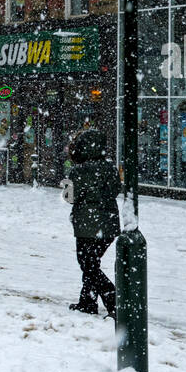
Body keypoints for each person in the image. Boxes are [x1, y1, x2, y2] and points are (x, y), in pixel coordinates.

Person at [65, 128, 121, 318]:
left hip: (86, 226)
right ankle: (87, 301)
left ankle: (113, 300)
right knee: (92, 262)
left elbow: (69, 197)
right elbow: (116, 190)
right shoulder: (110, 167)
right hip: (110, 224)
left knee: (88, 264)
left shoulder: (77, 171)